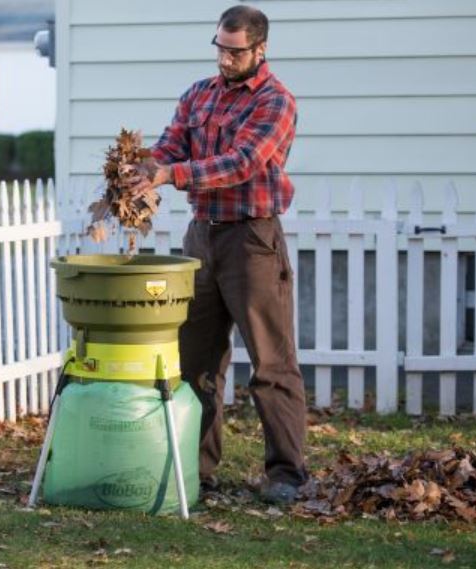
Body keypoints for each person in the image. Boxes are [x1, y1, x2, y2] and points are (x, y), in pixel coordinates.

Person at [131, 5, 307, 505]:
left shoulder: (276, 101)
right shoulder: (199, 94)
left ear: (260, 49)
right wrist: (144, 166)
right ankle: (197, 469)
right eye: (220, 49)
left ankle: (286, 475)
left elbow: (243, 163)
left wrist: (174, 175)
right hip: (201, 239)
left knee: (272, 362)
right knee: (195, 363)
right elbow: (170, 145)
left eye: (236, 52)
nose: (226, 61)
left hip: (252, 240)